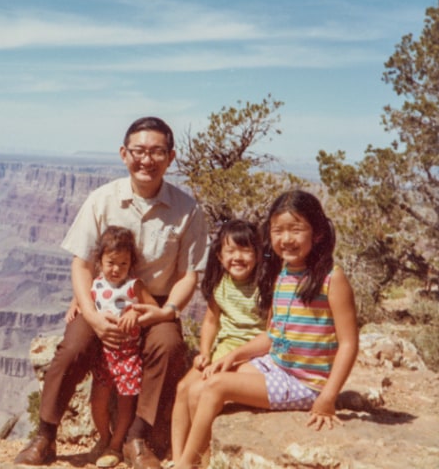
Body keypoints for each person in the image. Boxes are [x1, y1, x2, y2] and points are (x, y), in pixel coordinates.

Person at [14, 116, 209, 469]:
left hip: (153, 307)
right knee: (72, 348)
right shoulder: (101, 200)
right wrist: (90, 313)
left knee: (167, 346)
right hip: (101, 301)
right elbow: (81, 264)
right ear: (124, 153)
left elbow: (188, 275)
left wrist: (167, 313)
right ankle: (45, 435)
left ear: (171, 156)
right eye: (139, 151)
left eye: (157, 152)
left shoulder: (187, 210)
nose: (146, 160)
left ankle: (136, 438)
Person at [172, 190, 359, 469]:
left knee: (214, 387)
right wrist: (232, 357)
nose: (286, 239)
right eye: (278, 230)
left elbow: (348, 343)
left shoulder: (332, 278)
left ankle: (187, 464)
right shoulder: (284, 274)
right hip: (276, 366)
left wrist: (328, 397)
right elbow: (272, 336)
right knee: (198, 387)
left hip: (304, 381)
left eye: (296, 229)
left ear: (318, 233)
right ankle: (206, 461)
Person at [170, 219, 266, 463]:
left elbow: (270, 334)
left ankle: (201, 461)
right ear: (220, 256)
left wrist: (230, 358)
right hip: (221, 351)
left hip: (250, 355)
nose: (238, 257)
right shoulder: (221, 285)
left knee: (198, 392)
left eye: (245, 250)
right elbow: (211, 322)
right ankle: (178, 457)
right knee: (183, 388)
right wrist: (204, 353)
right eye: (230, 250)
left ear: (257, 253)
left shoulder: (263, 288)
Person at [75, 226, 160, 468]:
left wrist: (135, 310)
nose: (116, 269)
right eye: (111, 262)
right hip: (103, 356)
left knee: (125, 405)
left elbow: (153, 308)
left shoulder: (134, 286)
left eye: (123, 264)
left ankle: (117, 444)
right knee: (98, 403)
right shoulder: (96, 284)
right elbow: (85, 298)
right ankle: (105, 437)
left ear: (131, 263)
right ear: (100, 260)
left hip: (128, 357)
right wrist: (75, 304)